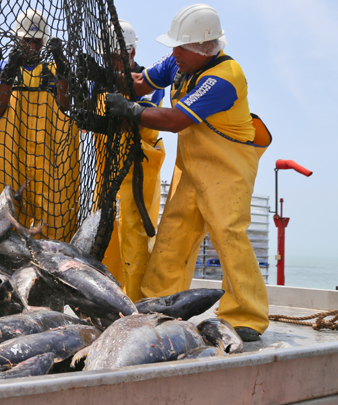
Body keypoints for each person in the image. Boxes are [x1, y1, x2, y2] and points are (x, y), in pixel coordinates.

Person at [105, 4, 270, 341]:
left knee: (229, 236)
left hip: (227, 173)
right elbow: (139, 82)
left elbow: (176, 120)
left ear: (205, 47)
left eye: (181, 47)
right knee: (173, 236)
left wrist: (130, 110)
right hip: (192, 170)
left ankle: (247, 315)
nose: (173, 52)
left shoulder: (225, 77)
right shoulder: (181, 62)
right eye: (174, 46)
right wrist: (102, 77)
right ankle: (157, 305)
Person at [81, 20, 166, 301]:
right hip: (107, 169)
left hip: (140, 165)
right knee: (104, 232)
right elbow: (91, 123)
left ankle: (137, 300)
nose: (113, 64)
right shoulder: (98, 83)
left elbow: (147, 115)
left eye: (118, 58)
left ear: (131, 53)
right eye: (108, 59)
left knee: (135, 235)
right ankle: (105, 298)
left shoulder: (147, 79)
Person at [0, 9, 79, 242]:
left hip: (49, 164)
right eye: (26, 41)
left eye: (36, 42)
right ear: (17, 41)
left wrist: (64, 71)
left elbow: (65, 105)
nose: (31, 47)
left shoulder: (53, 71)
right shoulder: (8, 69)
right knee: (7, 223)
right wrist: (7, 75)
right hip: (12, 159)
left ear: (44, 43)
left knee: (52, 225)